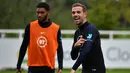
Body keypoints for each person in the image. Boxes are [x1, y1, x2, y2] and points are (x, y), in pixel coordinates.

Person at [16, 2, 63, 73]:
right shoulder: (30, 26)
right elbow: (24, 46)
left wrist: (60, 67)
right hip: (33, 68)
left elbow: (59, 49)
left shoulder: (56, 28)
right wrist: (18, 65)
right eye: (37, 12)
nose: (39, 15)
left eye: (42, 13)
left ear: (48, 13)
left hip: (49, 68)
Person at [70, 3, 106, 73]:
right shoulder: (77, 33)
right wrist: (75, 47)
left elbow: (86, 50)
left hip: (97, 70)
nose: (75, 15)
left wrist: (74, 68)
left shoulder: (91, 29)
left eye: (78, 12)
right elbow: (73, 57)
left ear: (85, 14)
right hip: (85, 70)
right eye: (73, 13)